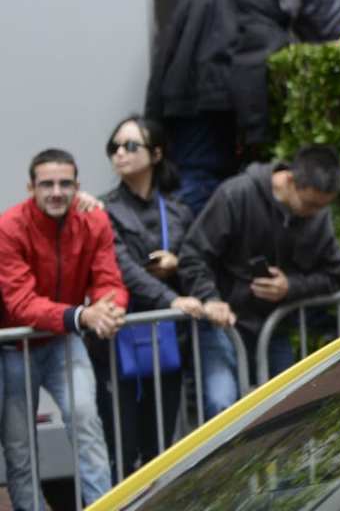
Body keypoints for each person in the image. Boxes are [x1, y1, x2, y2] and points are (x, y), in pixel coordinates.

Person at [180, 145, 340, 416]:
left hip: (274, 326)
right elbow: (193, 255)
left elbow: (334, 274)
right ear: (289, 179)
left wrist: (291, 287)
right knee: (222, 406)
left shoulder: (318, 214)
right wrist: (211, 299)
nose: (314, 213)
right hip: (223, 323)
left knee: (285, 410)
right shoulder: (236, 194)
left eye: (322, 207)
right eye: (309, 204)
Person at [0, 149, 126, 510]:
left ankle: (105, 505)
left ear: (77, 186)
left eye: (65, 183)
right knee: (20, 446)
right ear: (31, 187)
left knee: (86, 421)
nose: (56, 191)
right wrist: (82, 316)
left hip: (62, 342)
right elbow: (20, 303)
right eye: (47, 184)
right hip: (14, 347)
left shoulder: (93, 221)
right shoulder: (10, 226)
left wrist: (110, 309)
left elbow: (109, 279)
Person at [99, 117, 218, 475]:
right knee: (120, 442)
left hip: (166, 339)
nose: (120, 153)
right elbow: (121, 267)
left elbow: (197, 260)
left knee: (161, 443)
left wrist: (177, 262)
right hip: (119, 336)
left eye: (130, 146)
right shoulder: (103, 209)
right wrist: (169, 299)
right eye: (114, 147)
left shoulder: (178, 209)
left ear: (156, 154)